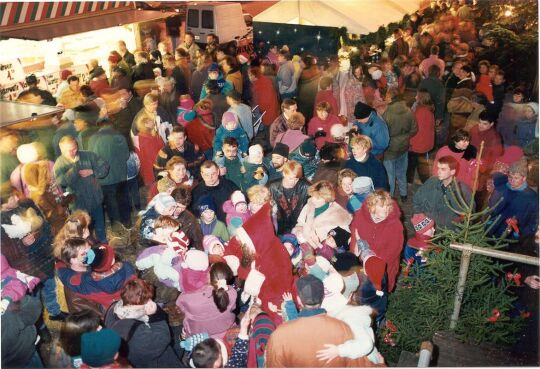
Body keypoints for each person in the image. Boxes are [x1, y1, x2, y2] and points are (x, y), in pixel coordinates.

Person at [265, 275, 382, 368]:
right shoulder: (342, 327)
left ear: (299, 300)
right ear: (322, 298)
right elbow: (358, 363)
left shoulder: (279, 335)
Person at [104, 278, 182, 367]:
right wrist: (155, 316)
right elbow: (162, 340)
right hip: (151, 361)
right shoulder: (138, 332)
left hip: (128, 356)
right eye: (148, 299)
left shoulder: (113, 308)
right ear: (139, 301)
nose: (151, 301)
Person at [56, 238, 136, 315]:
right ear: (74, 260)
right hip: (115, 312)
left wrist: (59, 265)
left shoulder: (96, 264)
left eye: (90, 249)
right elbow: (85, 316)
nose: (92, 253)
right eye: (84, 253)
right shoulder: (73, 291)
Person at [53, 136, 110, 243]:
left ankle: (104, 244)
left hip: (95, 197)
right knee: (82, 229)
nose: (73, 152)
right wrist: (74, 167)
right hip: (78, 203)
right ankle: (88, 247)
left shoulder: (88, 155)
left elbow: (105, 166)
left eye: (75, 148)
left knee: (100, 225)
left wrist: (93, 171)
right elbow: (62, 182)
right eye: (69, 150)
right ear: (61, 149)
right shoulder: (59, 164)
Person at [350, 190, 404, 292]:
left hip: (383, 267)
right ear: (371, 208)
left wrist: (374, 265)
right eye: (381, 207)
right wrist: (354, 247)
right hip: (363, 262)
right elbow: (354, 231)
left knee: (380, 292)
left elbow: (395, 249)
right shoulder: (360, 216)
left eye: (387, 209)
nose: (385, 212)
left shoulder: (396, 225)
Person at [88, 119, 131, 229]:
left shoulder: (93, 139)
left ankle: (117, 228)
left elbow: (92, 159)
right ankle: (127, 223)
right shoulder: (120, 136)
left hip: (105, 178)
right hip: (121, 176)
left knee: (111, 204)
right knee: (123, 200)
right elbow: (126, 155)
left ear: (100, 126)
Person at [176, 262, 237, 339]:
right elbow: (232, 308)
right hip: (225, 328)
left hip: (198, 333)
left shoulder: (188, 297)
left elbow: (180, 307)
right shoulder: (232, 292)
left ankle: (184, 336)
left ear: (208, 274)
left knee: (185, 332)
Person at [413, 155, 473, 229]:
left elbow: (469, 216)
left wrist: (455, 232)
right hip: (428, 229)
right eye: (438, 168)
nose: (438, 171)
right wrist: (421, 218)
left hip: (448, 233)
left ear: (452, 172)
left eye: (443, 169)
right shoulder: (432, 182)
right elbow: (417, 199)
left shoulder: (463, 191)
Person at [292, 181, 352, 250]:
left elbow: (345, 237)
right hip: (301, 243)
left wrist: (321, 244)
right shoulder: (309, 205)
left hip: (321, 250)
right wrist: (298, 231)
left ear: (326, 199)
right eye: (313, 196)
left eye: (317, 198)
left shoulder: (338, 215)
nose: (313, 200)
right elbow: (300, 223)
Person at [488, 159, 539, 240]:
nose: (512, 181)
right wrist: (489, 221)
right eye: (510, 177)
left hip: (512, 240)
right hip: (491, 233)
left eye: (516, 178)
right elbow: (491, 206)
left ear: (524, 178)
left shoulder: (532, 198)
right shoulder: (502, 188)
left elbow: (533, 223)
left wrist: (519, 234)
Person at [382, 87, 417, 200]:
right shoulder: (408, 110)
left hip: (390, 148)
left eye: (387, 96)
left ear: (392, 97)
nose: (385, 98)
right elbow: (414, 129)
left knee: (390, 175)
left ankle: (390, 198)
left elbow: (384, 133)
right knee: (402, 172)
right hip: (404, 146)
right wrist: (405, 137)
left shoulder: (387, 113)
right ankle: (404, 194)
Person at [268, 160, 310, 235]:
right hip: (279, 227)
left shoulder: (306, 187)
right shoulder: (272, 187)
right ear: (284, 173)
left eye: (296, 179)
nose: (293, 182)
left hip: (297, 227)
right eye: (290, 178)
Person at [408, 89, 435, 184]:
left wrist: (410, 142)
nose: (415, 97)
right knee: (421, 164)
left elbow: (416, 130)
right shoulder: (429, 109)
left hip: (417, 144)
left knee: (413, 164)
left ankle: (411, 181)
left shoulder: (420, 112)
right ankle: (425, 181)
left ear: (421, 98)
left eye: (417, 96)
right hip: (425, 143)